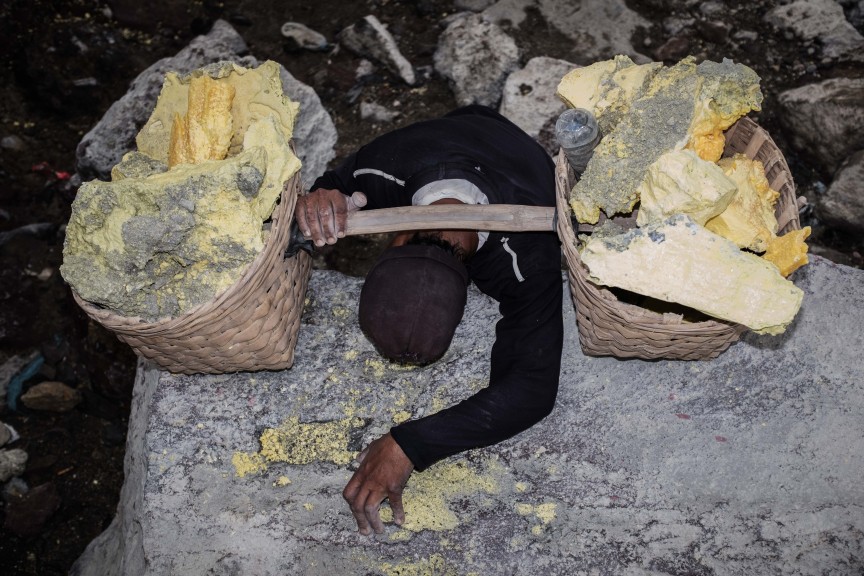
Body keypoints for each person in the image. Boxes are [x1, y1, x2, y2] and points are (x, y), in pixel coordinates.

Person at [295, 105, 563, 536]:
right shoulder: (381, 173)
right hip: (457, 125)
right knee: (463, 118)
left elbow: (531, 390)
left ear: (394, 241)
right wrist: (326, 195)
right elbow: (337, 186)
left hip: (522, 162)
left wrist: (410, 445)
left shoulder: (529, 256)